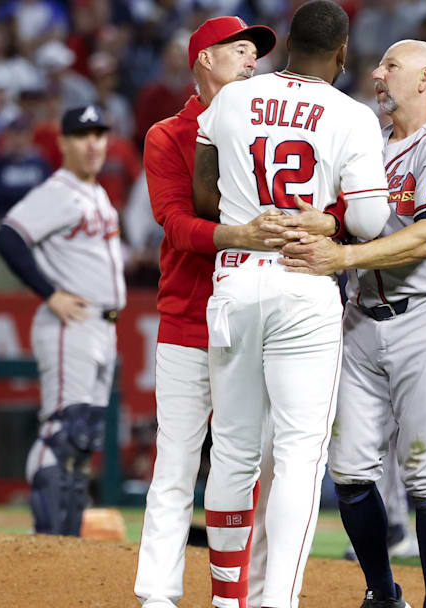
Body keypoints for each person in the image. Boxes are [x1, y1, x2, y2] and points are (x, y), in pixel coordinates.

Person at [191, 3, 391, 606]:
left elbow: (202, 196)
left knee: (232, 449)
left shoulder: (232, 98)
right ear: (343, 52)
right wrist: (328, 217)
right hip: (303, 282)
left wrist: (247, 217)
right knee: (300, 457)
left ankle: (229, 601)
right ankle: (277, 603)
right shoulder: (350, 116)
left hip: (235, 278)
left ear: (287, 45)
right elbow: (371, 219)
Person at [278, 38, 426, 608]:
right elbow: (349, 221)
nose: (376, 73)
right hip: (362, 317)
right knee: (347, 470)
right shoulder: (368, 146)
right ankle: (382, 592)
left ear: (425, 80)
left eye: (391, 66)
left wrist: (341, 256)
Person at [132, 15, 294, 608]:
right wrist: (242, 235)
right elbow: (175, 225)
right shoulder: (167, 135)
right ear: (205, 58)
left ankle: (245, 593)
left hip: (254, 320)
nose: (253, 61)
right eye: (241, 51)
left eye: (256, 54)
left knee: (252, 466)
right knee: (175, 462)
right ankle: (157, 593)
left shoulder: (267, 131)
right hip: (187, 317)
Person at [0, 105, 124, 536]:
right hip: (74, 323)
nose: (94, 144)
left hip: (103, 325)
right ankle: (48, 544)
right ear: (64, 143)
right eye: (83, 135)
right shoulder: (59, 191)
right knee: (63, 432)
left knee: (83, 438)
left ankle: (67, 547)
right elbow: (8, 237)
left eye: (100, 135)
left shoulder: (97, 192)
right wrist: (49, 294)